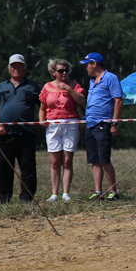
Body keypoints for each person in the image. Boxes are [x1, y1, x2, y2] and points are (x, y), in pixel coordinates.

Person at [0, 54, 42, 204]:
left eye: (19, 66)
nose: (16, 68)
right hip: (5, 134)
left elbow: (45, 105)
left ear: (25, 68)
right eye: (13, 66)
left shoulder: (35, 87)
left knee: (28, 168)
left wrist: (40, 121)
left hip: (26, 134)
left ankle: (27, 198)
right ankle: (3, 197)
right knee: (3, 168)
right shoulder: (0, 87)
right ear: (9, 68)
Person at [38, 58, 86, 202]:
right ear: (53, 73)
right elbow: (42, 108)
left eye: (66, 70)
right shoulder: (47, 87)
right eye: (61, 71)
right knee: (54, 161)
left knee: (67, 160)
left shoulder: (73, 84)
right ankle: (54, 194)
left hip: (71, 123)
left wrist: (69, 89)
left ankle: (66, 193)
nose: (64, 73)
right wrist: (41, 120)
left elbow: (82, 100)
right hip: (53, 125)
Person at [80, 52, 123, 201]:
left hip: (103, 123)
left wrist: (114, 123)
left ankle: (114, 191)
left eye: (87, 65)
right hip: (90, 123)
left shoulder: (110, 78)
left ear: (94, 64)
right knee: (94, 159)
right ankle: (98, 191)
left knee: (104, 158)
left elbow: (118, 101)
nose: (86, 68)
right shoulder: (92, 80)